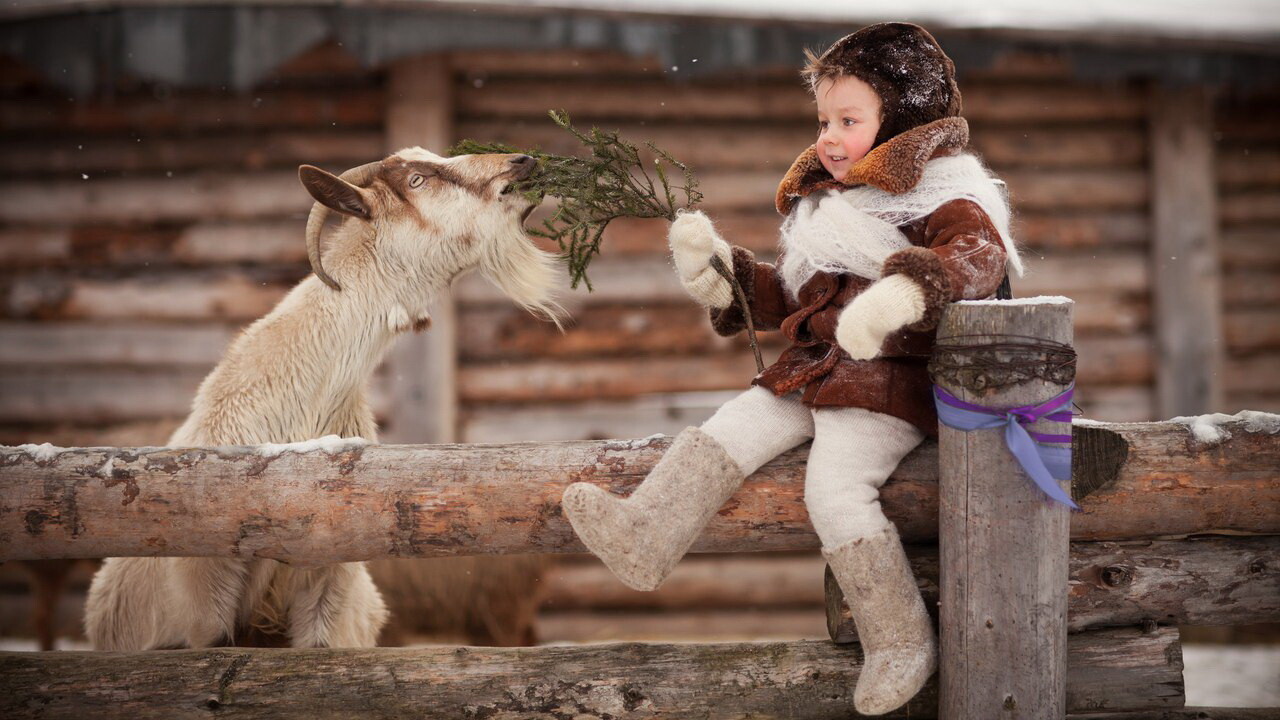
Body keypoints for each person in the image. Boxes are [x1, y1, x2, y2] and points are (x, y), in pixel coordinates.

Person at [561, 22, 1021, 715]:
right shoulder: (837, 207)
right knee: (730, 426)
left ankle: (899, 640)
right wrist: (727, 278)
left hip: (886, 384)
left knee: (833, 490)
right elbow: (801, 294)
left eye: (848, 120)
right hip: (818, 366)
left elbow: (975, 257)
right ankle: (646, 534)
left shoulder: (948, 193)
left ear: (902, 118)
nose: (829, 137)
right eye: (823, 121)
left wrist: (906, 292)